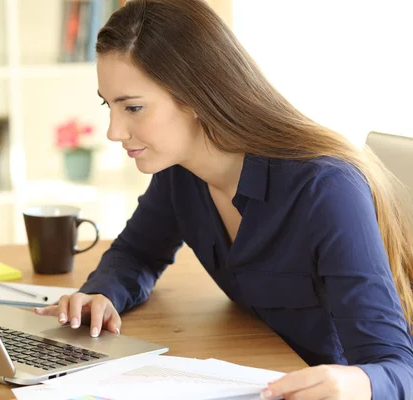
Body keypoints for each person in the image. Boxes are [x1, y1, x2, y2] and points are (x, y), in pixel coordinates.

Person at [35, 0, 413, 398]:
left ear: (196, 96)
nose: (113, 131)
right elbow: (137, 253)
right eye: (108, 104)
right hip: (259, 374)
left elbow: (398, 369)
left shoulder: (326, 190)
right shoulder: (179, 173)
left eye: (133, 107)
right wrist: (103, 293)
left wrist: (359, 383)